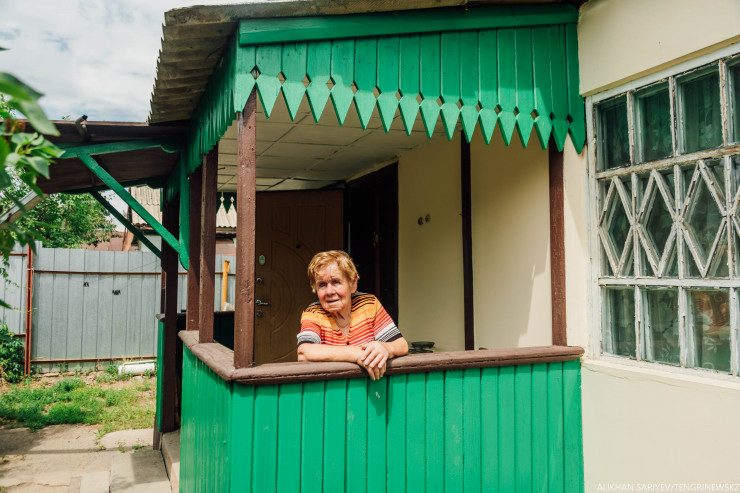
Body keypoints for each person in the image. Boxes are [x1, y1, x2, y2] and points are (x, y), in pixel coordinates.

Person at [297, 250, 408, 380]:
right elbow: (304, 353)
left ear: (353, 283)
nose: (329, 291)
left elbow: (401, 345)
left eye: (336, 282)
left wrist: (386, 348)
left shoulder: (368, 305)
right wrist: (357, 354)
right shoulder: (313, 313)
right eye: (322, 285)